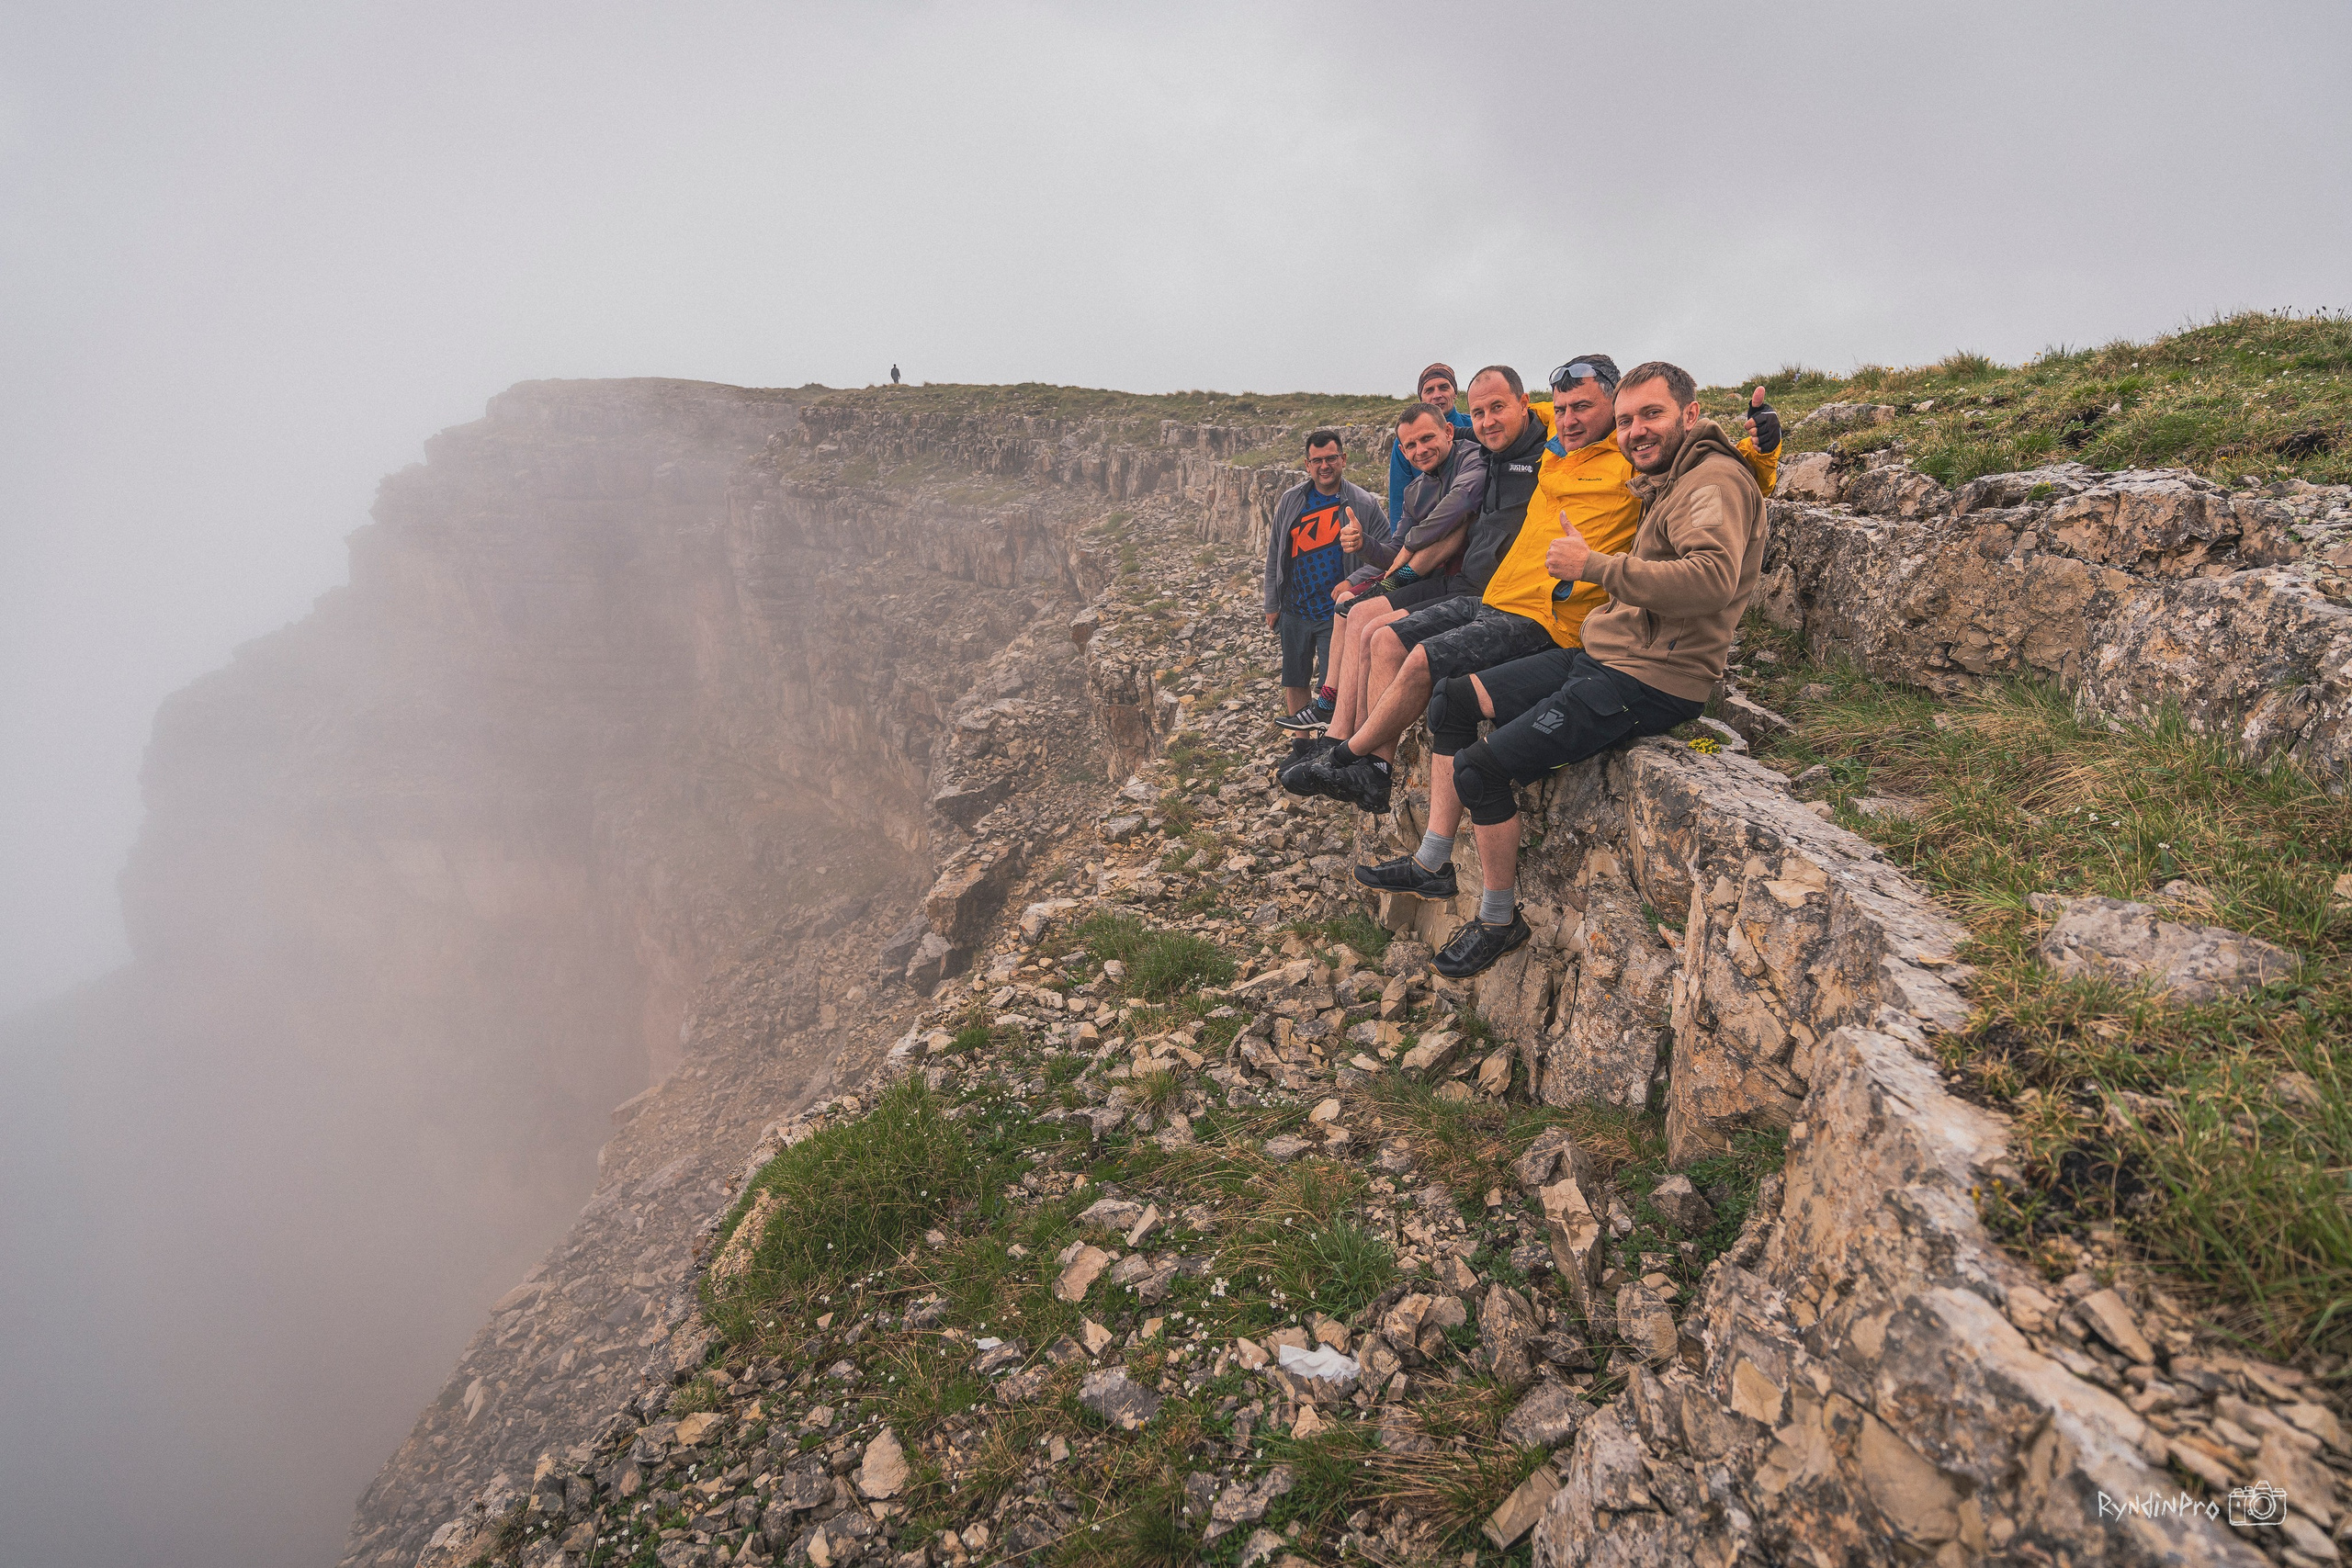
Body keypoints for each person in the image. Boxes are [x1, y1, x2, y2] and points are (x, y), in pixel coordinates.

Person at [1365, 361, 1770, 978]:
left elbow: (1713, 579)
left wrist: (1596, 567)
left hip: (1654, 679)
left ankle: (1500, 919)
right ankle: (1432, 862)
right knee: (1449, 700)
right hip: (1605, 652)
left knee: (1482, 769)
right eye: (1629, 418)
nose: (1635, 431)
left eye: (1651, 415)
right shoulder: (1675, 472)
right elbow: (1549, 413)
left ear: (1691, 415)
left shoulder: (1710, 481)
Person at [1282, 401, 1486, 740]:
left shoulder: (1472, 458)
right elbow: (1393, 550)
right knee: (1346, 602)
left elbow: (1461, 502)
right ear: (1403, 451)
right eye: (1410, 445)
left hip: (1461, 581)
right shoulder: (1415, 490)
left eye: (1426, 439)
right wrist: (1364, 544)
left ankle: (1347, 734)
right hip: (1431, 576)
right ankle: (1331, 711)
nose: (1420, 450)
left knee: (1367, 621)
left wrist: (1410, 546)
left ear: (1449, 432)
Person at [1261, 429, 1389, 723]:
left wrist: (1352, 582)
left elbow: (1388, 553)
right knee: (1295, 679)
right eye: (1317, 460)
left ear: (1343, 459)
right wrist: (1272, 603)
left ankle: (1328, 744)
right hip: (1294, 608)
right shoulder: (1291, 500)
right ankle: (1302, 744)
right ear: (1307, 465)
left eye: (1331, 458)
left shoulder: (1364, 502)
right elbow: (1274, 553)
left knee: (1336, 685)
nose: (1324, 466)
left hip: (1337, 613)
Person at [1386, 363, 1474, 525]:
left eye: (1444, 387)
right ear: (1422, 398)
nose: (1437, 395)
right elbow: (1399, 497)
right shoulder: (1405, 442)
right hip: (1426, 528)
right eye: (1429, 390)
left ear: (1454, 393)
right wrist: (1399, 544)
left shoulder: (1475, 427)